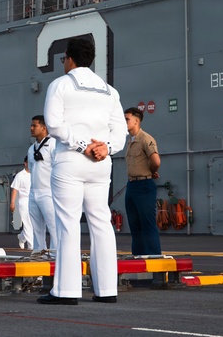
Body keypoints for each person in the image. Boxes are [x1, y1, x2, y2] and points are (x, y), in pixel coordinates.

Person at [38, 36, 127, 305]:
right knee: (101, 223)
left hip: (71, 161)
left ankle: (66, 291)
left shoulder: (60, 85)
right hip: (101, 164)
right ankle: (107, 290)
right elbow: (120, 132)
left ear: (69, 58)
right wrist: (105, 147)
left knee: (68, 224)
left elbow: (54, 125)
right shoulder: (110, 91)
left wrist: (82, 145)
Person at [123, 106, 161, 256]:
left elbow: (156, 161)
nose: (124, 122)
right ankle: (138, 259)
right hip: (132, 185)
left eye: (127, 119)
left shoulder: (145, 139)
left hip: (144, 185)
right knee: (135, 226)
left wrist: (151, 172)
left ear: (136, 121)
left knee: (147, 225)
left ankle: (154, 258)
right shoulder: (130, 141)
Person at [26, 114, 56, 253]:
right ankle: (39, 255)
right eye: (31, 125)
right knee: (36, 228)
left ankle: (56, 257)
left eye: (35, 125)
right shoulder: (32, 148)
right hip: (34, 192)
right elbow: (32, 169)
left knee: (53, 226)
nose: (31, 128)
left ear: (44, 127)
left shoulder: (53, 144)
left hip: (48, 191)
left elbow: (58, 167)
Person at [9, 158, 33, 250]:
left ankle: (22, 237)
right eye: (29, 162)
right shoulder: (20, 175)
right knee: (27, 223)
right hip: (24, 200)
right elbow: (15, 189)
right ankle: (31, 245)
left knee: (33, 223)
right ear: (25, 163)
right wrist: (12, 203)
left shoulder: (35, 173)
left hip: (34, 199)